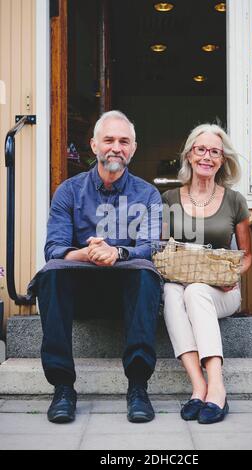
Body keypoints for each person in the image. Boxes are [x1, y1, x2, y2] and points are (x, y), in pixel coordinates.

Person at [36, 110, 162, 424]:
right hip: (82, 294)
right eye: (109, 140)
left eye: (124, 141)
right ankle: (63, 388)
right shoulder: (68, 191)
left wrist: (116, 252)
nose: (115, 147)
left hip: (127, 294)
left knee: (146, 271)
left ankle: (137, 387)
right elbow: (53, 248)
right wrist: (89, 253)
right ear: (94, 145)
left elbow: (150, 246)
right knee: (51, 274)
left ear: (133, 149)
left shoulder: (148, 195)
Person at [162, 123, 252, 424]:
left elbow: (247, 255)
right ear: (189, 155)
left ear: (222, 160)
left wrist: (230, 276)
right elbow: (161, 250)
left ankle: (217, 386)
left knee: (197, 290)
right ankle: (198, 387)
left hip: (222, 293)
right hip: (180, 283)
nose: (207, 156)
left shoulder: (234, 200)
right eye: (201, 149)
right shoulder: (170, 199)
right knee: (173, 291)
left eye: (215, 151)